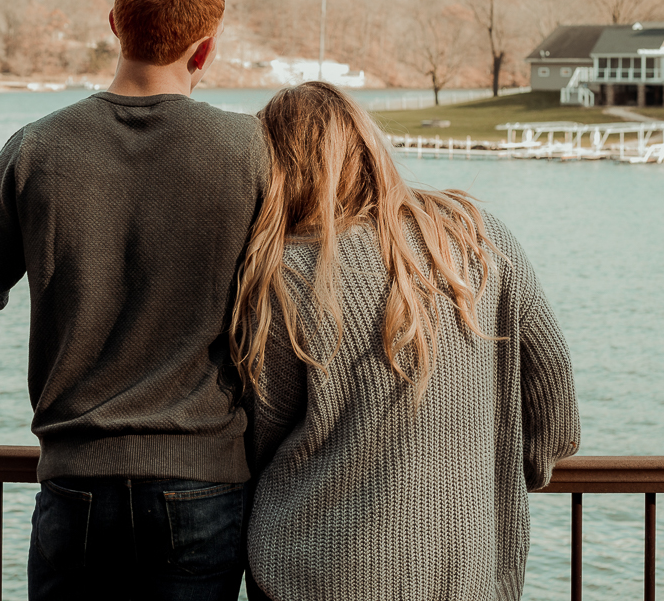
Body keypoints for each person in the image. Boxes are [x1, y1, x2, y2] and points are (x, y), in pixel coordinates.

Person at [0, 0, 266, 601]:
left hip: (77, 487)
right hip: (202, 486)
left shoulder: (38, 149)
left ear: (114, 23)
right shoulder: (252, 152)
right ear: (206, 51)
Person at [232, 82, 579, 601]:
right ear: (370, 145)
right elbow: (557, 417)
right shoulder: (478, 240)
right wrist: (493, 470)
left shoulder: (285, 276)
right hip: (466, 574)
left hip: (314, 575)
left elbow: (256, 444)